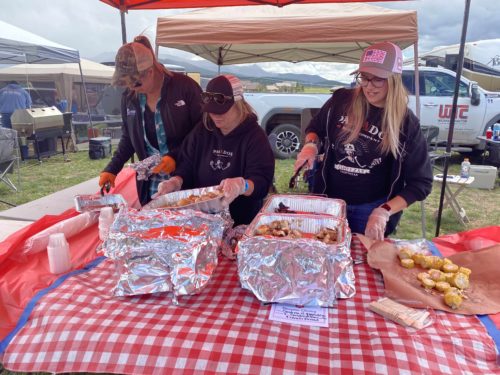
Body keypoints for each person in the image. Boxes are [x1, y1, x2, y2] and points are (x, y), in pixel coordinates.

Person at [295, 42, 432, 241]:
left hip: (370, 208)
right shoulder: (341, 100)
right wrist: (310, 146)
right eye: (364, 78)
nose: (368, 86)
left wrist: (384, 211)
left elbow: (421, 183)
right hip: (329, 201)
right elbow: (315, 128)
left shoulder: (405, 122)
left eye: (377, 79)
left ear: (393, 80)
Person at [153, 74, 275, 226]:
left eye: (221, 111)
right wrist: (176, 181)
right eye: (211, 110)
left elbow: (262, 183)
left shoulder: (254, 136)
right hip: (200, 220)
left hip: (240, 222)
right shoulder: (202, 131)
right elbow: (186, 166)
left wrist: (241, 185)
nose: (215, 116)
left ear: (238, 104)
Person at [99, 35, 203, 205]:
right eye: (127, 84)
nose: (132, 88)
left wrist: (175, 156)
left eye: (136, 83)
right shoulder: (130, 97)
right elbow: (129, 138)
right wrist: (112, 169)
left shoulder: (185, 88)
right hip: (151, 185)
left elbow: (203, 131)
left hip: (187, 179)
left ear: (150, 71)